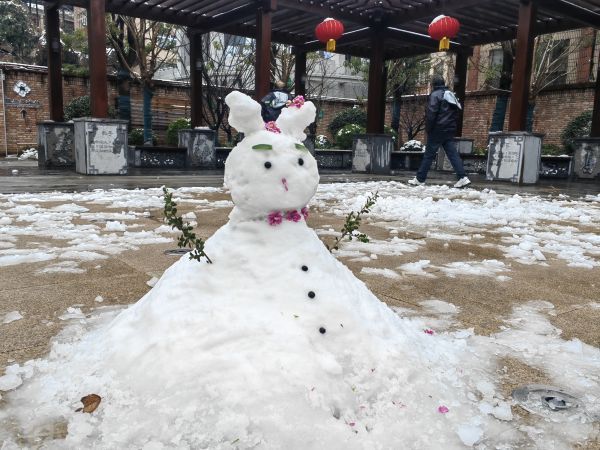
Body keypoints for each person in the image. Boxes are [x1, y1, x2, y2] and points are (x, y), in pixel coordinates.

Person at [408, 74, 471, 188]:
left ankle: (420, 179)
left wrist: (429, 129)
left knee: (429, 155)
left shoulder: (435, 95)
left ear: (433, 85)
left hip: (437, 129)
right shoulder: (450, 94)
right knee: (452, 154)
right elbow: (457, 111)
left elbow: (431, 113)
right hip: (449, 129)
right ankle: (463, 177)